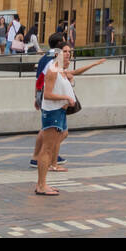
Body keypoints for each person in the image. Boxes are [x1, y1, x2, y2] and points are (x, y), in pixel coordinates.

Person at [35, 38, 78, 196]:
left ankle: (43, 183)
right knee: (46, 150)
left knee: (49, 148)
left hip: (58, 111)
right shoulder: (53, 70)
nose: (68, 55)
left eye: (69, 52)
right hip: (52, 112)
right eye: (65, 52)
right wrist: (66, 98)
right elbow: (47, 95)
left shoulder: (59, 69)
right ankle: (41, 185)